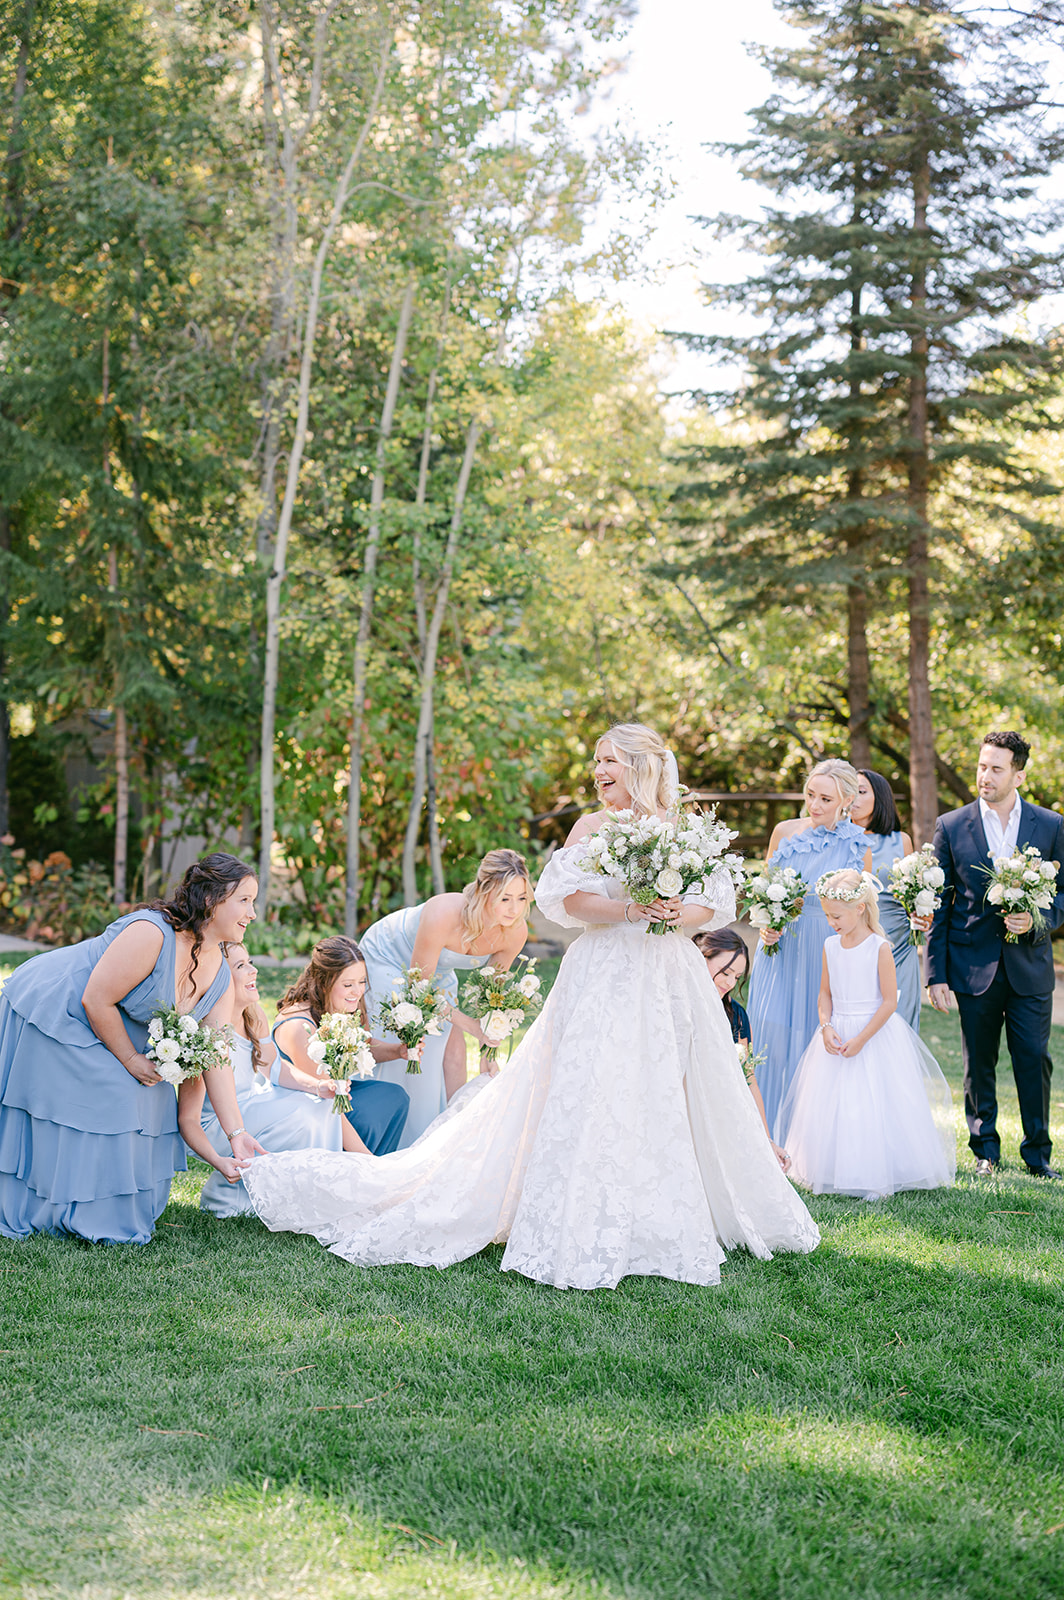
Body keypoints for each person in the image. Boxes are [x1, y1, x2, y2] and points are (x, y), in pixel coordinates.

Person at [243, 722, 820, 1290]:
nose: (599, 771)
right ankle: (580, 1206)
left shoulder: (683, 829)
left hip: (669, 972)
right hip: (604, 972)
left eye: (610, 760)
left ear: (642, 765)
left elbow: (713, 902)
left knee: (666, 1081)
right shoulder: (592, 826)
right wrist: (629, 911)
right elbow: (561, 899)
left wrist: (675, 915)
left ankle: (664, 1208)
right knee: (594, 1083)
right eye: (597, 761)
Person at [0, 853, 263, 1243]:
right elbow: (97, 999)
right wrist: (129, 1059)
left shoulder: (221, 972)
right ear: (211, 899)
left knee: (153, 1099)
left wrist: (236, 1132)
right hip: (61, 1009)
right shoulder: (152, 933)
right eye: (244, 900)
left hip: (110, 1024)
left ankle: (103, 1206)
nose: (252, 913)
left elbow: (216, 1056)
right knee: (115, 1088)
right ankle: (57, 1205)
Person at [179, 942, 405, 1217]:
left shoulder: (253, 1015)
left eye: (250, 961)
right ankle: (231, 1196)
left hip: (252, 1105)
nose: (254, 970)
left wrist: (319, 1086)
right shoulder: (207, 1033)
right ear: (217, 978)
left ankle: (318, 1190)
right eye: (241, 966)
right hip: (219, 1126)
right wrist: (217, 1161)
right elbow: (188, 1119)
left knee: (318, 1102)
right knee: (309, 1109)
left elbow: (275, 1067)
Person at [926, 730, 1064, 1178]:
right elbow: (940, 903)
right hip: (971, 966)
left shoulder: (1051, 825)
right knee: (978, 1062)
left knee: (1033, 1059)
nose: (984, 775)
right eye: (982, 766)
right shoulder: (951, 825)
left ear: (1018, 774)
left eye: (996, 768)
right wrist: (936, 974)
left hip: (1030, 967)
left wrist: (1038, 918)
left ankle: (1038, 1155)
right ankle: (985, 1151)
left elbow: (1062, 896)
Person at [778, 869, 955, 1200]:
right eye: (829, 916)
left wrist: (861, 1039)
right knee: (833, 1105)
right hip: (837, 1032)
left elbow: (889, 1003)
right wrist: (826, 1026)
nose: (832, 922)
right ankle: (830, 1168)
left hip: (873, 1034)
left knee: (872, 1103)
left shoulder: (879, 947)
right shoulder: (831, 945)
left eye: (836, 916)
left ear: (859, 908)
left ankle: (876, 1170)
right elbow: (825, 994)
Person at [360, 850, 533, 1146]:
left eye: (521, 898)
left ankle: (438, 1137)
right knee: (407, 1029)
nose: (514, 909)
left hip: (436, 971)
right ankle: (383, 1129)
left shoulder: (514, 932)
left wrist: (486, 1052)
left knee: (447, 1042)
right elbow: (417, 987)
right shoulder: (444, 912)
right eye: (505, 898)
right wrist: (467, 1024)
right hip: (390, 958)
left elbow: (490, 998)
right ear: (483, 891)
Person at [747, 758, 871, 1135]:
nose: (814, 805)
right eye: (810, 795)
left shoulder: (858, 847)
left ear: (847, 800)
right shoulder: (784, 833)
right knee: (767, 1039)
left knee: (811, 1045)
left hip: (824, 954)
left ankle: (805, 1143)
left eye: (825, 799)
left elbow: (859, 916)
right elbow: (764, 894)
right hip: (780, 951)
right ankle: (760, 1137)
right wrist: (767, 924)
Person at [271, 937, 410, 1154]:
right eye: (348, 985)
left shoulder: (343, 1005)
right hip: (304, 1107)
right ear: (324, 982)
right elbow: (327, 1103)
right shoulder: (299, 1026)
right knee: (367, 1117)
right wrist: (369, 1162)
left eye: (362, 981)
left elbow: (363, 1046)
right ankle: (355, 1169)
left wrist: (398, 1051)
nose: (358, 991)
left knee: (393, 1096)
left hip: (333, 1096)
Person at [692, 927, 790, 1171]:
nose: (729, 983)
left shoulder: (736, 1016)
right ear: (701, 958)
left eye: (736, 977)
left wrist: (767, 1140)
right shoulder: (677, 1004)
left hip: (720, 1112)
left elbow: (748, 1078)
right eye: (725, 972)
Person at [849, 769, 930, 1030]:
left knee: (898, 1027)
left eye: (861, 791)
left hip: (897, 947)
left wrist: (921, 914)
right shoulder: (837, 841)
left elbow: (912, 897)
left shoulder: (900, 841)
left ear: (880, 797)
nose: (853, 798)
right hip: (852, 944)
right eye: (849, 791)